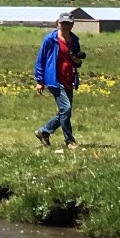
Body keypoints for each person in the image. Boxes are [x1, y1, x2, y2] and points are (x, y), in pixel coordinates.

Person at [32, 15, 85, 149]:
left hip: (69, 78)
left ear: (72, 24)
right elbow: (41, 59)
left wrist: (77, 61)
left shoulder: (74, 40)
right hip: (54, 78)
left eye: (69, 23)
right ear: (58, 23)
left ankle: (43, 132)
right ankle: (69, 141)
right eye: (63, 23)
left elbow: (76, 62)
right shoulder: (50, 40)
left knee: (65, 111)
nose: (66, 26)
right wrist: (40, 80)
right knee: (65, 109)